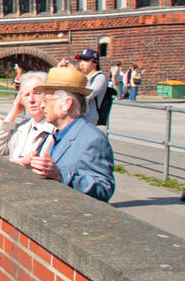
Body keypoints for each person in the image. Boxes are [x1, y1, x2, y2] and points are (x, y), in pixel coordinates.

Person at [22, 66, 115, 202]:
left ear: (67, 104)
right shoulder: (58, 134)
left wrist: (61, 176)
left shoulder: (93, 139)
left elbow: (104, 188)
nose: (42, 106)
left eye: (47, 101)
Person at [0, 72, 54, 160]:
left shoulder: (55, 130)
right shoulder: (22, 127)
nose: (31, 100)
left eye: (37, 93)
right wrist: (13, 112)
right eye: (27, 95)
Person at [73, 48, 109, 124]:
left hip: (89, 120)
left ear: (95, 63)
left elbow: (88, 93)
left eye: (86, 61)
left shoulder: (100, 77)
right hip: (78, 118)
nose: (81, 64)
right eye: (81, 61)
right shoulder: (83, 76)